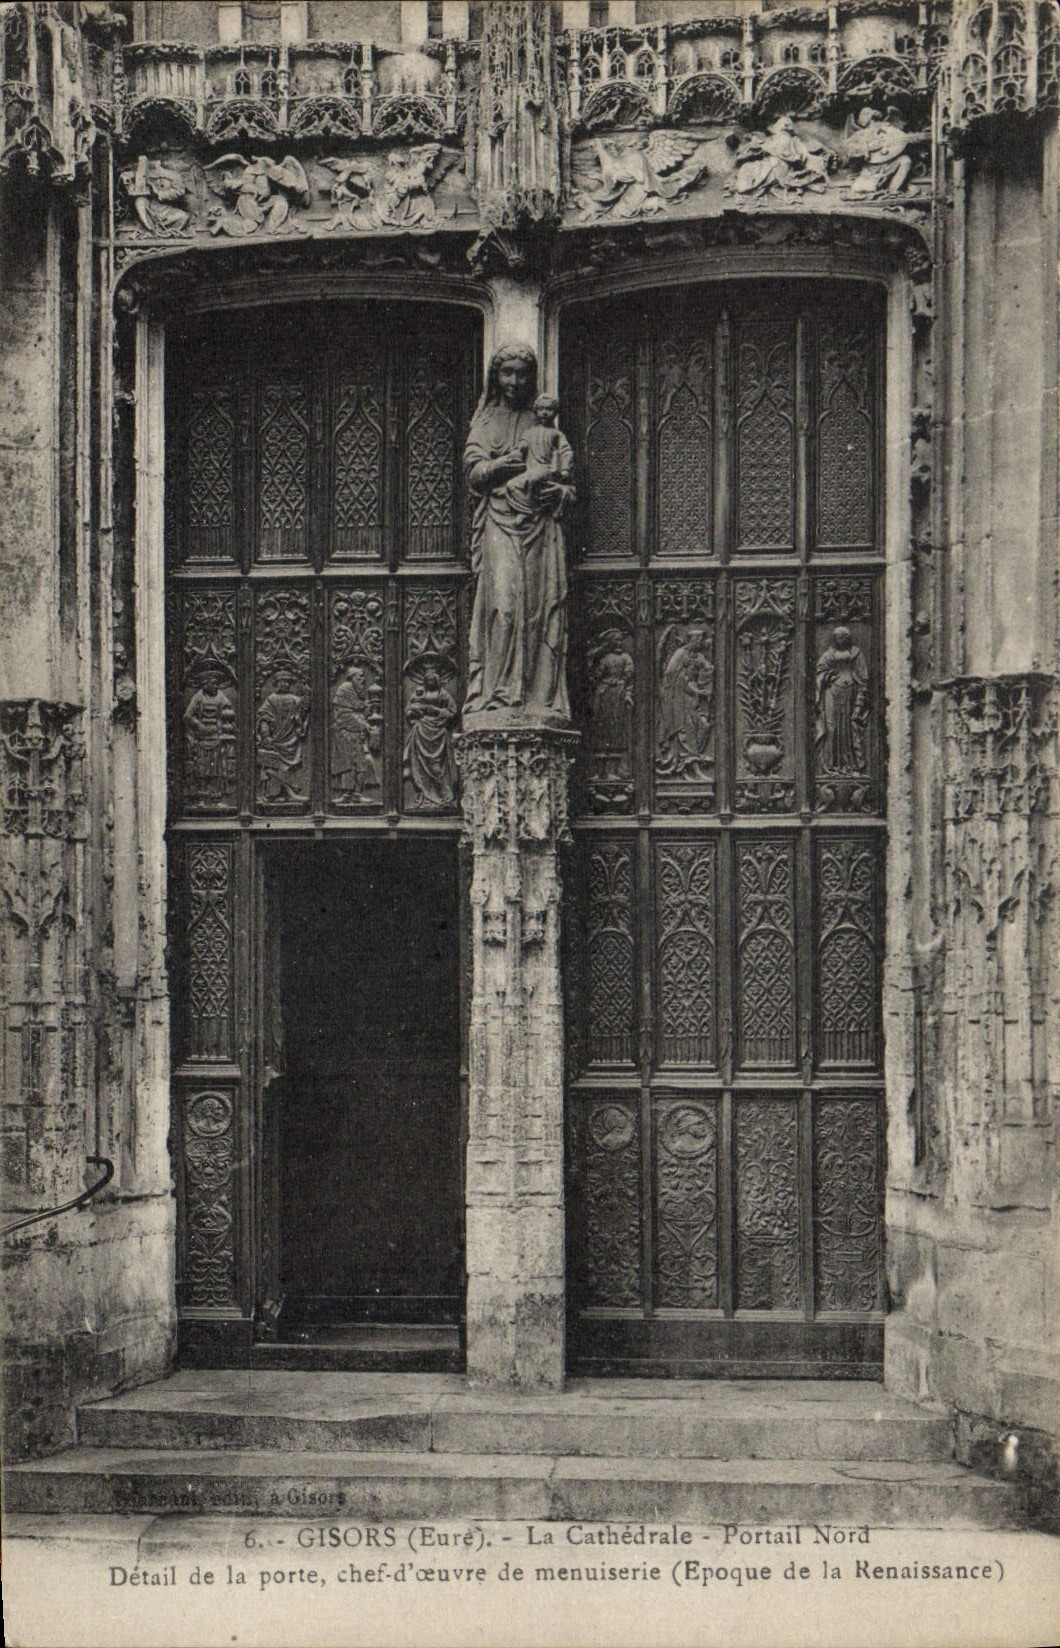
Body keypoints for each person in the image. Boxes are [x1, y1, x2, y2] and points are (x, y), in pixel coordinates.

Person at [464, 345, 574, 720]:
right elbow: (474, 475)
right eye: (506, 373)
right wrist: (500, 465)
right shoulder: (486, 420)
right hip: (499, 519)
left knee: (537, 610)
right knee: (504, 608)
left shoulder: (543, 424)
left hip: (540, 525)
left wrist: (560, 491)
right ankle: (496, 695)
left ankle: (534, 698)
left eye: (521, 373)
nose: (514, 381)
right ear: (496, 376)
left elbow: (565, 475)